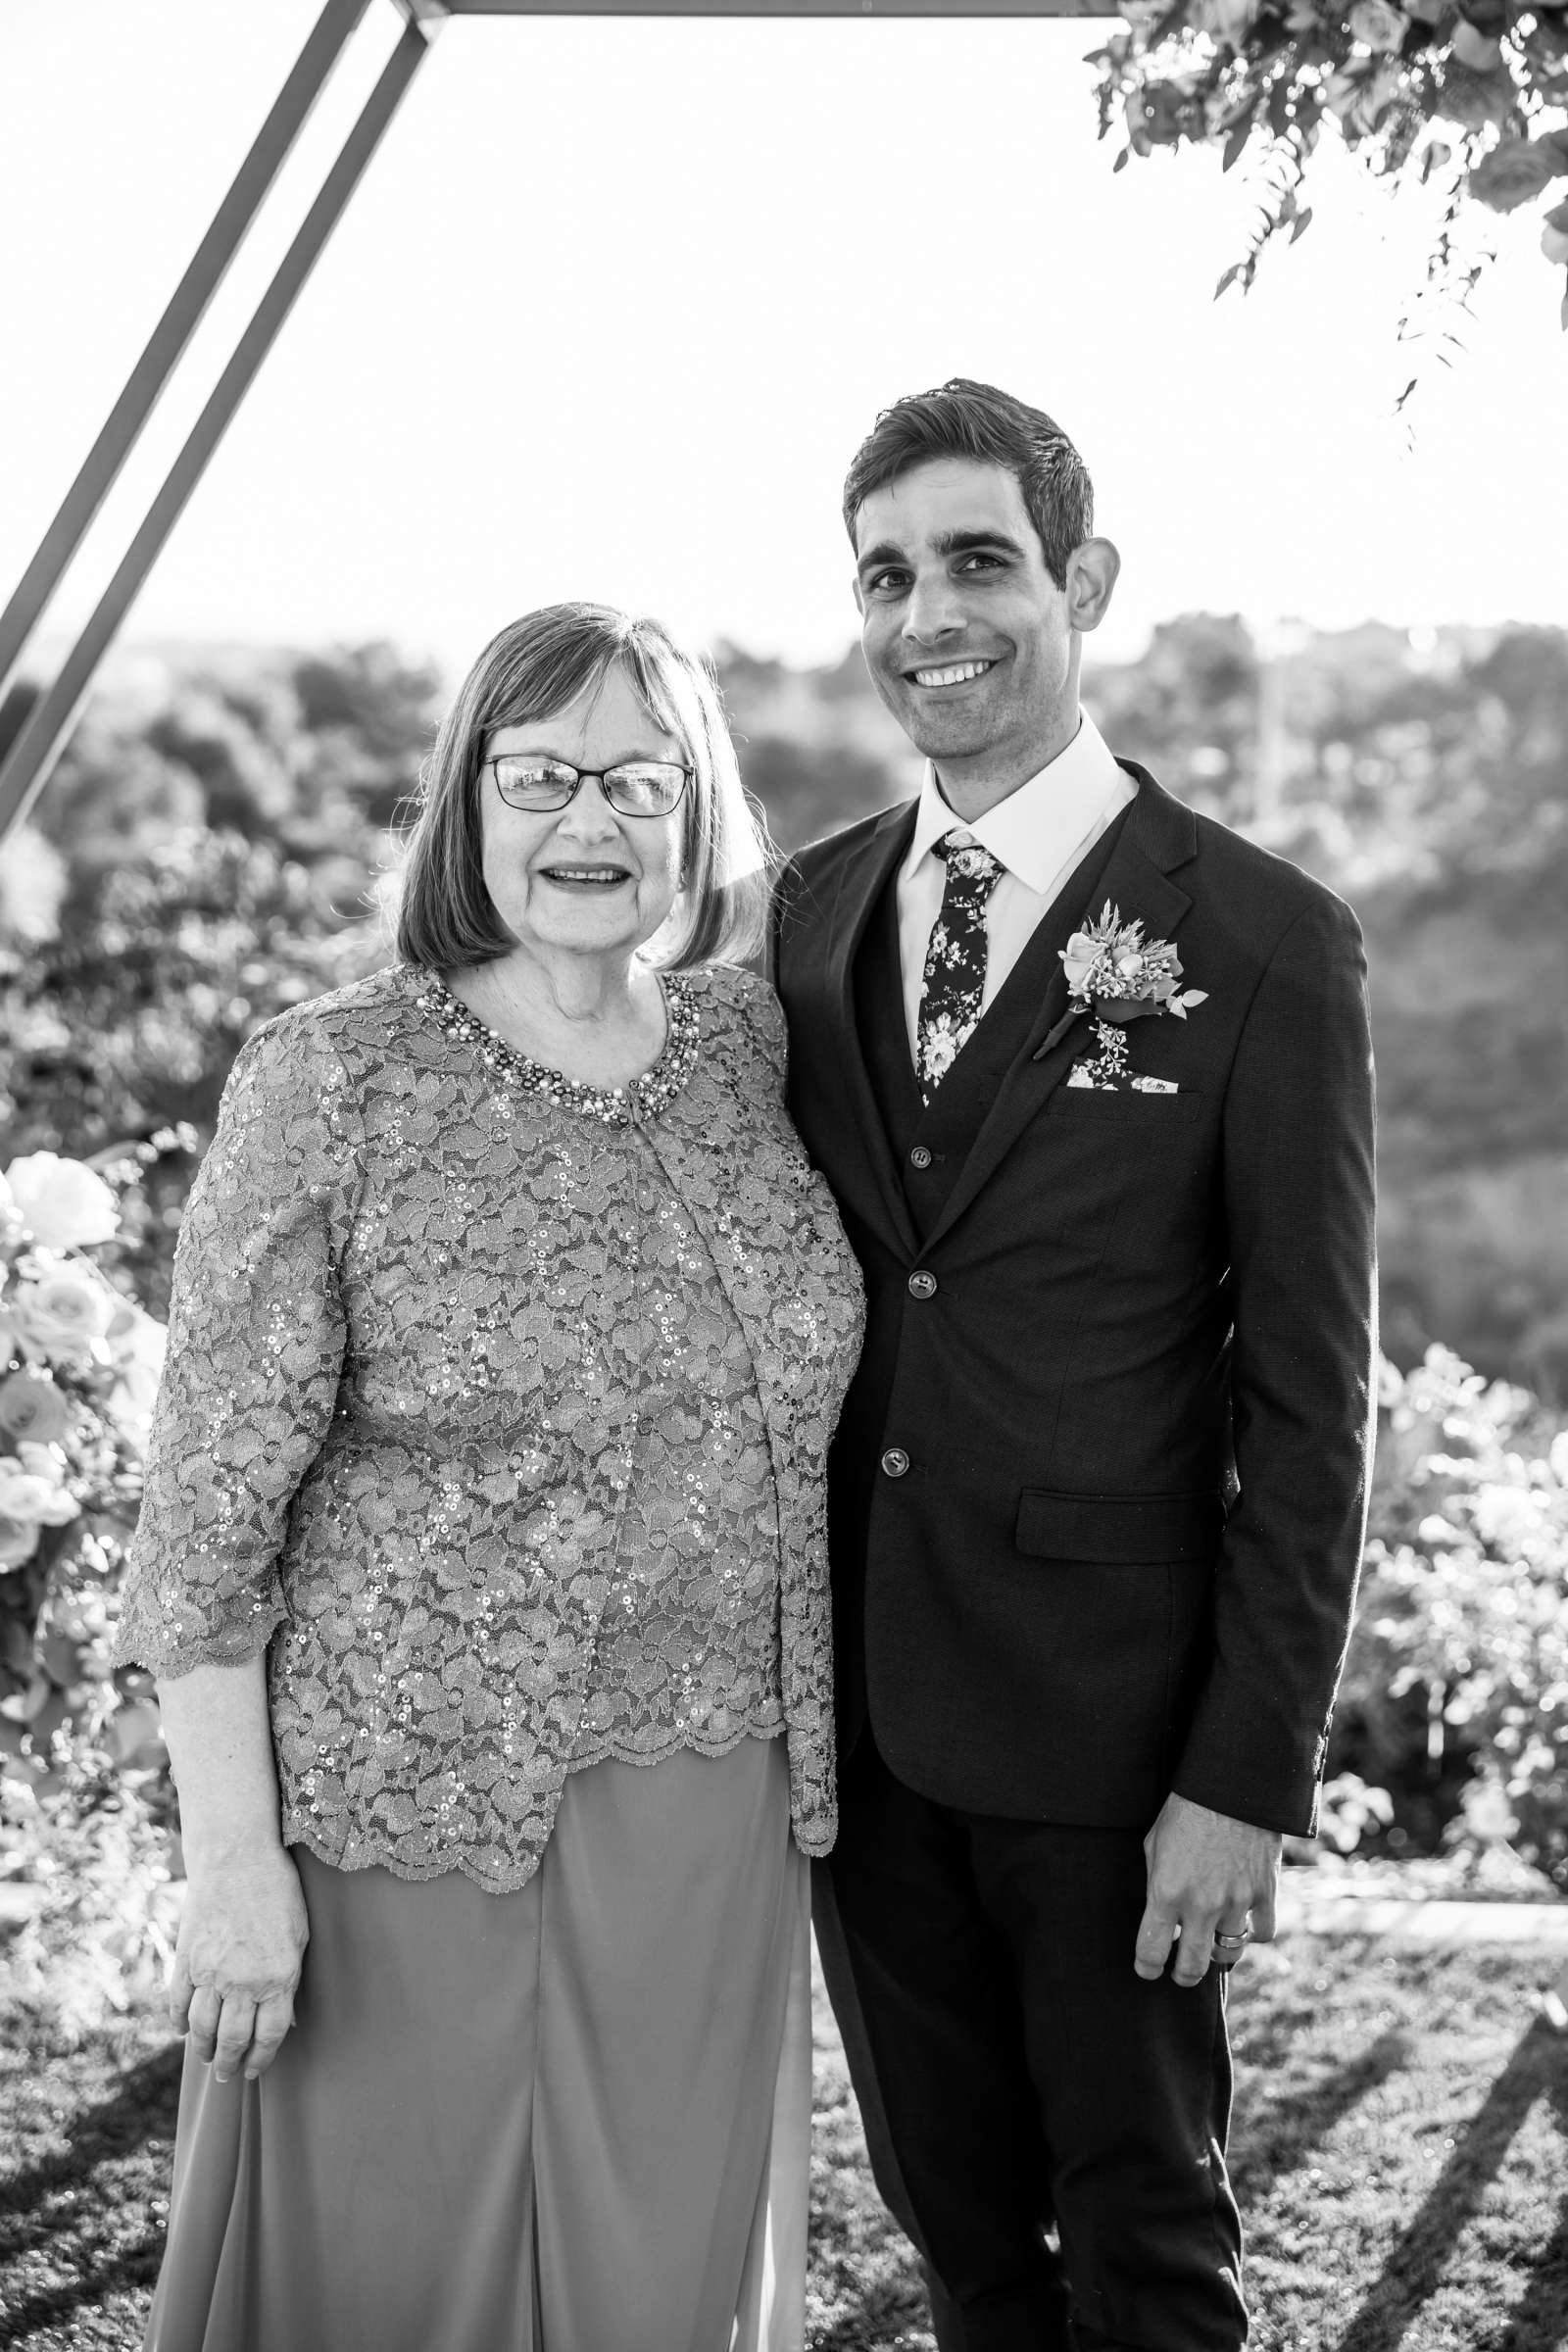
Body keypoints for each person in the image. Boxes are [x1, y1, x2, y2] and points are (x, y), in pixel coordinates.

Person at [114, 602, 864, 2352]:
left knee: (660, 2295)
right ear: (467, 801)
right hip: (403, 1828)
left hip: (713, 1816)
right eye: (540, 774)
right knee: (393, 2284)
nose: (590, 824)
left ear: (702, 813)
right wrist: (232, 1865)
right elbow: (208, 1514)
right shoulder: (332, 1081)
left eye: (638, 779)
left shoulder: (752, 1059)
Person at [770, 379, 1377, 2352]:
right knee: (953, 2236)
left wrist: (1241, 1776)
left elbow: (1304, 1403)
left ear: (1079, 580)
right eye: (884, 575)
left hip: (1115, 1744)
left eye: (975, 562)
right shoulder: (804, 916)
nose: (925, 615)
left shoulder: (1266, 943)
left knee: (1142, 2238)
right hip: (857, 1725)